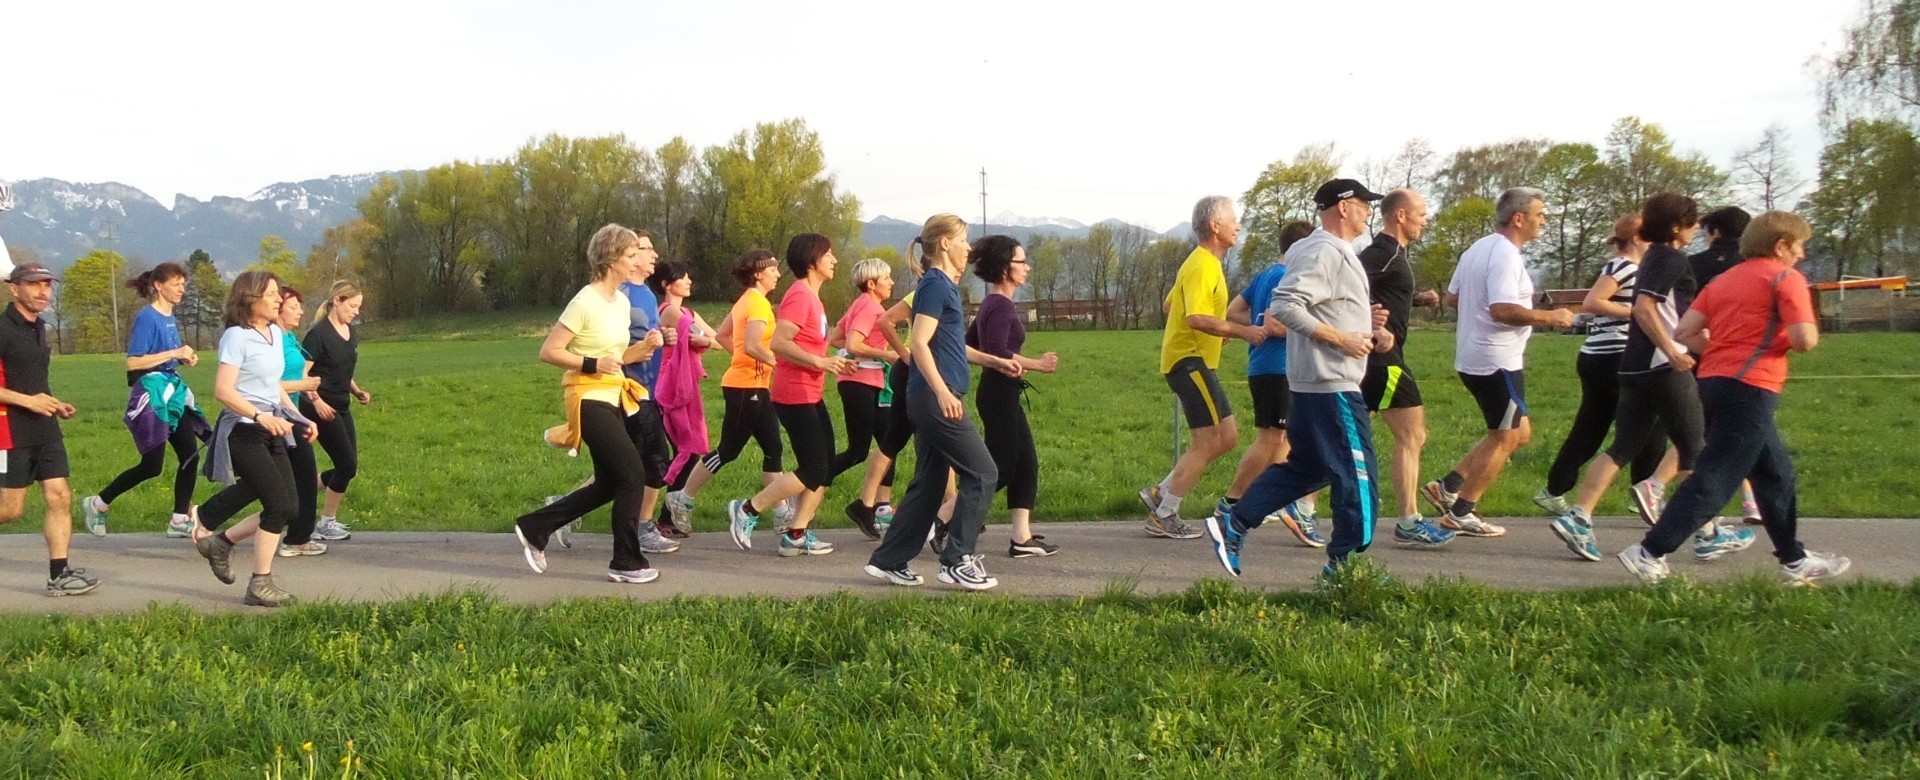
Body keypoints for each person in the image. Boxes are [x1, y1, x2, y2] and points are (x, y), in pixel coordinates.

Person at [1618, 211, 1850, 584]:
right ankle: (1648, 552)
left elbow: (1686, 330)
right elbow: (1805, 339)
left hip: (1714, 381)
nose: (1802, 255)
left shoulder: (1724, 280)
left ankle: (1794, 558)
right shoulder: (1785, 279)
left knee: (1776, 474)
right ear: (1780, 246)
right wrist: (1776, 338)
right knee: (1717, 476)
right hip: (1752, 386)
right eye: (1799, 246)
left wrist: (1723, 349)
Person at [1205, 179, 1404, 579]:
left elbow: (1326, 307)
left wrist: (1368, 329)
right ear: (1344, 207)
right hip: (1331, 384)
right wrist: (1342, 339)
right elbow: (1286, 306)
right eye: (1364, 204)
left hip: (1314, 382)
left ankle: (1235, 521)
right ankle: (1345, 565)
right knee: (1357, 475)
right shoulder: (1324, 250)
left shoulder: (1329, 251)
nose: (1369, 212)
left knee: (1309, 469)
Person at [1552, 194, 1755, 562]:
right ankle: (1707, 534)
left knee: (1623, 447)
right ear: (1677, 226)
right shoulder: (1671, 259)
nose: (1696, 231)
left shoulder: (1652, 259)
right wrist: (1675, 351)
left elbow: (1658, 311)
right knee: (1696, 449)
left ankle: (1578, 517)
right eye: (1692, 223)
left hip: (1634, 366)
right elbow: (1646, 309)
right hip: (1662, 368)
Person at [864, 214, 1021, 589]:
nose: (969, 247)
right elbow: (919, 343)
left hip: (933, 396)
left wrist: (995, 360)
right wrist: (942, 391)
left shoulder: (941, 286)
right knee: (984, 473)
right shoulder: (935, 284)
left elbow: (950, 345)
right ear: (946, 244)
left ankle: (888, 560)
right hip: (936, 398)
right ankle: (957, 559)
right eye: (964, 240)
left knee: (931, 483)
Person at [510, 224, 666, 585]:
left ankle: (536, 526)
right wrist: (592, 364)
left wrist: (640, 351)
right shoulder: (585, 300)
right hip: (585, 397)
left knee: (612, 482)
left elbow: (614, 355)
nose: (634, 261)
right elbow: (549, 351)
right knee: (633, 473)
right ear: (611, 258)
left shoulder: (621, 301)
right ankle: (626, 562)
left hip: (613, 395)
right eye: (629, 255)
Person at [1423, 187, 1575, 538]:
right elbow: (1502, 309)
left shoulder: (1477, 248)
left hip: (1476, 355)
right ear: (1518, 218)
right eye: (1539, 214)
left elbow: (1453, 298)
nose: (1543, 221)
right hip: (1497, 361)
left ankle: (1447, 485)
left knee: (1519, 434)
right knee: (1506, 436)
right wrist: (1551, 317)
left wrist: (1476, 323)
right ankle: (1461, 512)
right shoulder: (1506, 255)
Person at [1141, 195, 1266, 540]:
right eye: (1233, 219)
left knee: (1227, 437)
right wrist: (1241, 331)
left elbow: (1172, 307)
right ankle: (1164, 513)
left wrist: (1216, 332)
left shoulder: (1203, 264)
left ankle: (1159, 493)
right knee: (1207, 440)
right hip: (1188, 362)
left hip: (1195, 360)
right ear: (1215, 226)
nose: (1238, 225)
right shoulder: (1202, 264)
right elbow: (1195, 317)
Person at [191, 271, 319, 607]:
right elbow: (223, 390)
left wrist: (299, 417)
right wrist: (260, 415)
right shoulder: (237, 337)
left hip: (272, 425)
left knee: (289, 507)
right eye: (273, 294)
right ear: (251, 298)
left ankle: (220, 543)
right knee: (276, 505)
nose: (280, 299)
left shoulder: (275, 333)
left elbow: (273, 386)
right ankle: (260, 583)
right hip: (243, 430)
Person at [724, 234, 856, 556]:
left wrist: (835, 361)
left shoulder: (813, 297)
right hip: (793, 393)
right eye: (829, 254)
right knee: (813, 469)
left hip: (811, 392)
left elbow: (809, 343)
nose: (834, 260)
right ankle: (747, 509)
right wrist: (819, 362)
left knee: (824, 469)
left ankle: (796, 534)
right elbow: (779, 343)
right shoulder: (799, 296)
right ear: (813, 260)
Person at [1535, 215, 1667, 515]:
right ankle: (1646, 494)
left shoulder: (1626, 267)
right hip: (1613, 356)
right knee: (1650, 421)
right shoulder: (1625, 266)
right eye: (1649, 237)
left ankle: (1554, 489)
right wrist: (1636, 312)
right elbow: (1594, 302)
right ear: (1635, 239)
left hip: (1601, 356)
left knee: (1593, 427)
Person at [1221, 220, 1330, 547]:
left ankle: (1260, 503)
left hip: (1263, 367)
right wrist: (1315, 328)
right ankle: (1240, 503)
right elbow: (1275, 323)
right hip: (1282, 367)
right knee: (1276, 439)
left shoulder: (1266, 274)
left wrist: (1258, 322)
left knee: (1280, 438)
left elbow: (1234, 310)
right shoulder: (1288, 278)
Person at [1356, 190, 1456, 546]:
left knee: (1352, 438)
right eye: (1421, 213)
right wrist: (1375, 327)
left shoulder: (1393, 254)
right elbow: (1346, 287)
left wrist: (1416, 299)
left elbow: (1376, 292)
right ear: (1400, 215)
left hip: (1377, 358)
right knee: (1411, 435)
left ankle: (1302, 504)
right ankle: (1409, 520)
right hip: (1383, 359)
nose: (1425, 220)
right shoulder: (1382, 251)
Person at [666, 250, 791, 530]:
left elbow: (722, 335)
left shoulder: (748, 301)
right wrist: (777, 362)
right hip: (744, 387)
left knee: (774, 448)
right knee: (729, 450)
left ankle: (782, 513)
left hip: (754, 384)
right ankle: (682, 499)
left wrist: (743, 359)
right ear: (758, 274)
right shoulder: (757, 304)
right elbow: (752, 345)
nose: (778, 274)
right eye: (772, 269)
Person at [83, 262, 207, 538]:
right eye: (177, 284)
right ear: (159, 286)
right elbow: (134, 362)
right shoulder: (147, 317)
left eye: (183, 284)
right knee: (152, 465)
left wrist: (182, 358)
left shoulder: (169, 317)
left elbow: (164, 355)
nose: (182, 289)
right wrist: (174, 352)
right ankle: (97, 503)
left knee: (190, 455)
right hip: (152, 397)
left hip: (172, 393)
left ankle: (178, 519)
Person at [0, 263, 96, 595]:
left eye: (47, 285)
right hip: (8, 431)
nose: (43, 291)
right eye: (34, 285)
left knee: (60, 497)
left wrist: (54, 403)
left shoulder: (39, 328)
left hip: (45, 427)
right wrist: (29, 401)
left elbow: (34, 381)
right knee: (10, 509)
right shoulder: (1, 328)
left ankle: (59, 574)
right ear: (14, 289)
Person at [966, 235, 1062, 558]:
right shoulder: (999, 304)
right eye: (1022, 262)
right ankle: (945, 519)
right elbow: (995, 351)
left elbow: (970, 343)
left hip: (1002, 392)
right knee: (1000, 467)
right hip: (997, 393)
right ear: (1006, 268)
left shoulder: (992, 305)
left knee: (1026, 465)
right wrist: (1038, 364)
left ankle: (1021, 538)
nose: (1027, 268)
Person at [1692, 205, 1765, 524]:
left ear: (1715, 232)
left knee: (1709, 428)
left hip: (1701, 350)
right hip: (1749, 357)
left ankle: (1659, 484)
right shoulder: (1752, 267)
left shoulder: (1692, 264)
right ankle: (1749, 501)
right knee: (1739, 429)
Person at [829, 258, 900, 540]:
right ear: (871, 284)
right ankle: (811, 479)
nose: (891, 282)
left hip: (872, 383)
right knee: (859, 450)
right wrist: (887, 355)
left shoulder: (859, 305)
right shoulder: (870, 307)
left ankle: (880, 507)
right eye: (887, 278)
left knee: (889, 444)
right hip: (859, 385)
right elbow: (851, 343)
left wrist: (854, 356)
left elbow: (836, 338)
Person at [299, 281, 372, 543]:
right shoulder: (318, 334)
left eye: (358, 307)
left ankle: (305, 487)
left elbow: (341, 370)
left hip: (342, 405)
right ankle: (326, 523)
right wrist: (315, 400)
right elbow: (302, 375)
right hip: (320, 407)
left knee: (348, 466)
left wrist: (357, 391)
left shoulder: (350, 332)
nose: (356, 312)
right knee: (347, 465)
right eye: (352, 306)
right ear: (337, 301)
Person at [651, 261, 715, 537]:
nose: (689, 281)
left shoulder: (687, 312)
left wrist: (701, 337)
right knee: (684, 452)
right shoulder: (668, 312)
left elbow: (712, 339)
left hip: (685, 388)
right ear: (666, 284)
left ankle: (668, 517)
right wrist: (700, 337)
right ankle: (666, 518)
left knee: (687, 451)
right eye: (682, 277)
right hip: (670, 389)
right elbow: (701, 339)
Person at [275, 286, 329, 557]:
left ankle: (205, 517)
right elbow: (271, 384)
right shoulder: (275, 341)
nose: (300, 311)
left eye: (300, 306)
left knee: (292, 480)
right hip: (277, 416)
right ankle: (296, 538)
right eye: (294, 307)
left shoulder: (290, 338)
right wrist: (303, 384)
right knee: (303, 476)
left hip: (290, 413)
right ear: (278, 309)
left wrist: (309, 390)